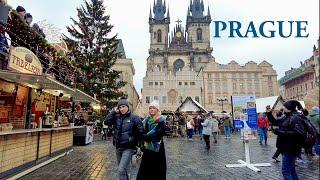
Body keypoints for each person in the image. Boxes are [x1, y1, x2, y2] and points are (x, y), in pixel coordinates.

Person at [105, 97, 144, 180]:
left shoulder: (134, 118)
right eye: (120, 107)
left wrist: (133, 140)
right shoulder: (116, 117)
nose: (122, 109)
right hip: (118, 147)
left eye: (123, 106)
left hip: (129, 148)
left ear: (127, 106)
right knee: (124, 170)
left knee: (121, 169)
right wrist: (113, 112)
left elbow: (141, 132)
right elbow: (106, 121)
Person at [266, 100, 305, 180]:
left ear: (289, 108)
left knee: (285, 171)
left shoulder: (295, 118)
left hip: (290, 148)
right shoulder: (286, 116)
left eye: (284, 106)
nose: (283, 107)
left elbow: (297, 133)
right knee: (291, 170)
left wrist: (279, 132)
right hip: (285, 147)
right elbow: (275, 122)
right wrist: (269, 113)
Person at [137, 101, 166, 180]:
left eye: (153, 108)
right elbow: (142, 130)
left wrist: (147, 136)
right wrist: (143, 136)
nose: (151, 110)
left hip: (157, 147)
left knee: (158, 168)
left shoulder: (161, 120)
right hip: (148, 147)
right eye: (150, 108)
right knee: (146, 167)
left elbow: (160, 133)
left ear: (157, 110)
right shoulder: (146, 120)